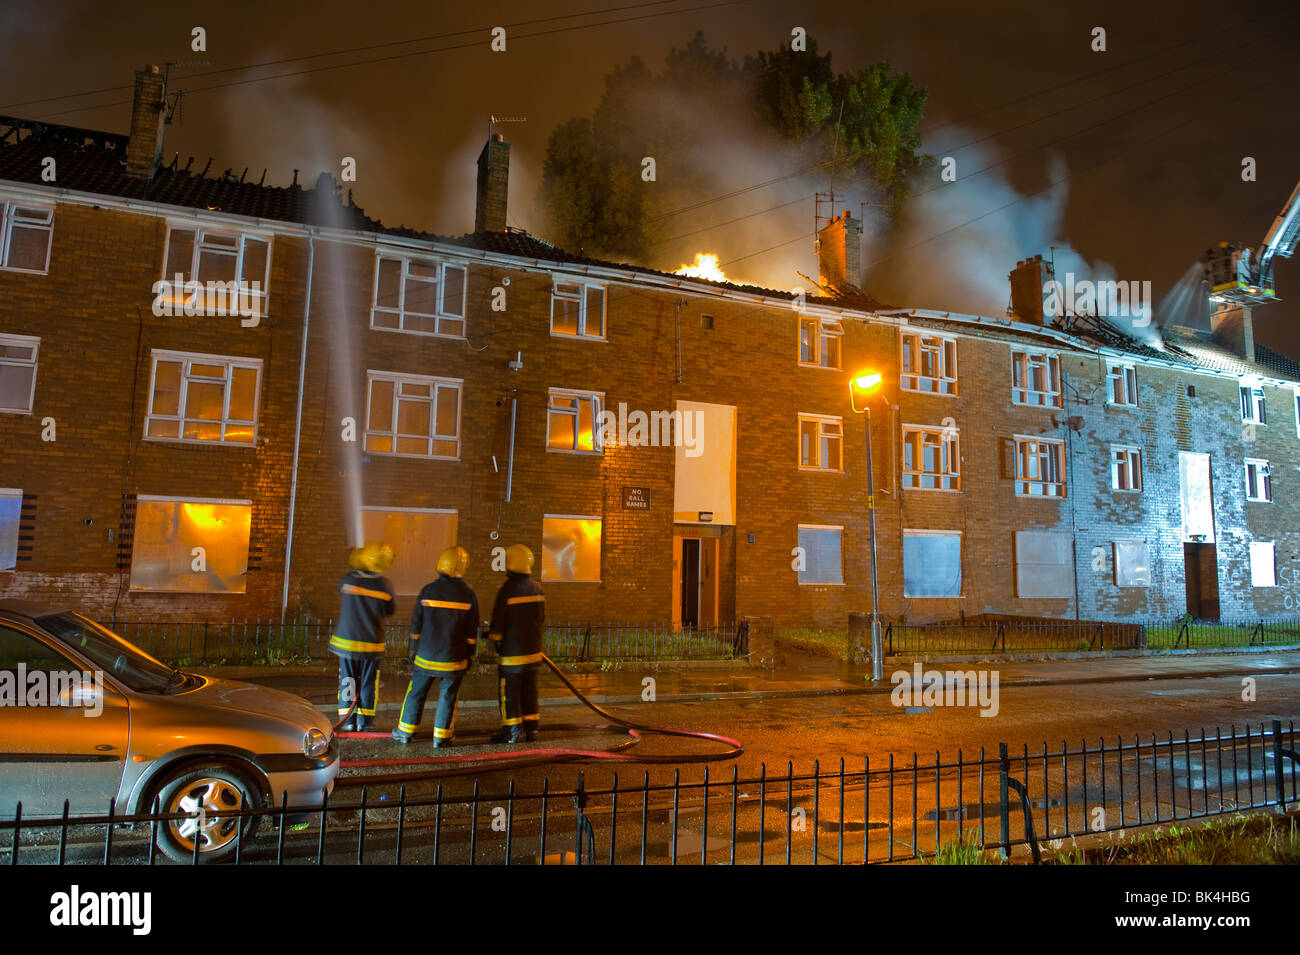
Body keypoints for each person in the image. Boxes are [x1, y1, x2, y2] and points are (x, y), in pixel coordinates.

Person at [392, 545, 479, 748]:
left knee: (416, 692)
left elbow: (416, 625)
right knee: (448, 696)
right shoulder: (468, 595)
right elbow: (471, 633)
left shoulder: (428, 590)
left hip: (426, 656)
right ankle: (441, 737)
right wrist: (470, 656)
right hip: (453, 658)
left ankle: (405, 732)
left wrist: (413, 649)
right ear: (463, 567)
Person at [329, 541, 395, 732]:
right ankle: (365, 723)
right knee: (368, 682)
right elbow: (390, 610)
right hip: (371, 645)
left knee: (347, 680)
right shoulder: (385, 586)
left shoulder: (349, 580)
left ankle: (347, 720)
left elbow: (339, 587)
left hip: (347, 644)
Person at [487, 544, 545, 744]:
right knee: (530, 692)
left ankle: (511, 731)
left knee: (509, 695)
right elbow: (541, 618)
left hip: (512, 657)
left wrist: (493, 638)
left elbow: (497, 626)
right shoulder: (537, 588)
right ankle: (532, 731)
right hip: (533, 654)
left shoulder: (507, 590)